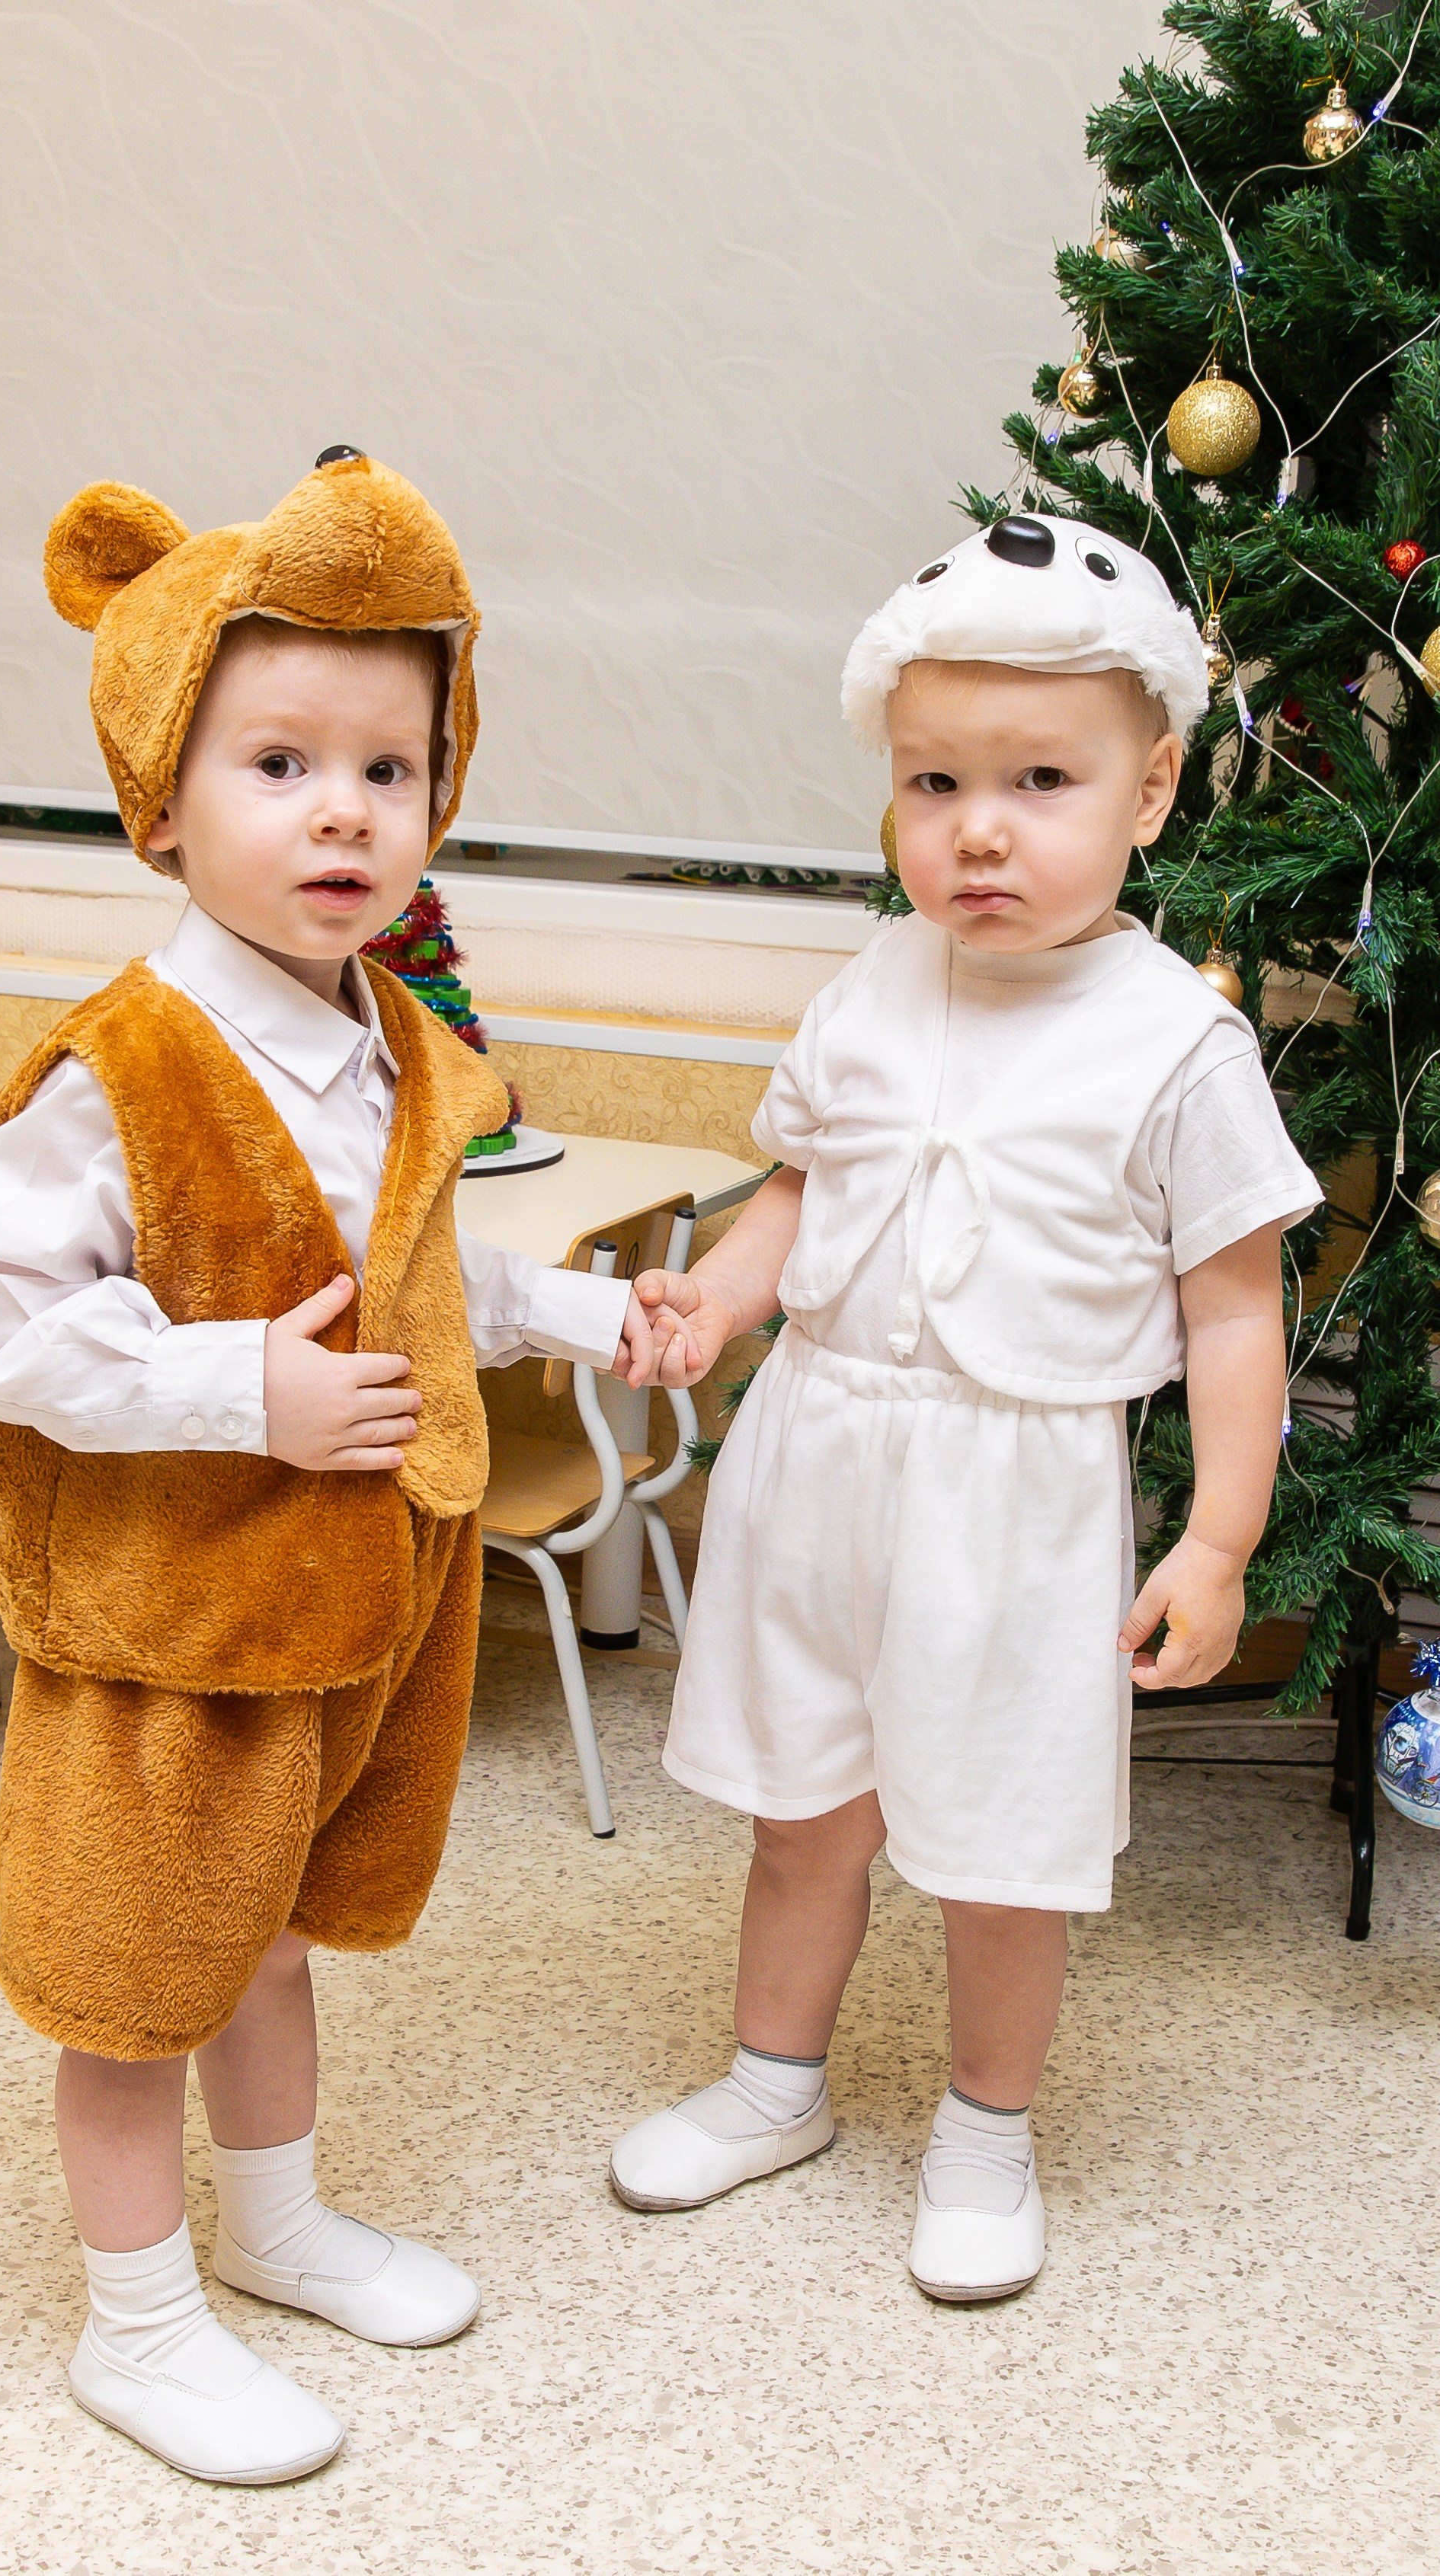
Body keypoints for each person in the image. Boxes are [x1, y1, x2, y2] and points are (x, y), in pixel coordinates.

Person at [0, 452, 643, 2483]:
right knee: (139, 1965)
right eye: (279, 761)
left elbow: (411, 1262)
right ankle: (135, 2319)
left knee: (269, 1931)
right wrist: (239, 1384)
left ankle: (282, 2221)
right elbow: (0, 1313)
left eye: (390, 769)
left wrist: (584, 1317)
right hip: (170, 1628)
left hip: (332, 1612)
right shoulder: (120, 1064)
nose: (345, 809)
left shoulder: (397, 1044)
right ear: (163, 798)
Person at [608, 513, 1318, 2302]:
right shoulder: (867, 983)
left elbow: (1238, 1306)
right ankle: (779, 2081)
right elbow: (796, 1193)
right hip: (825, 1463)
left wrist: (1219, 1534)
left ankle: (989, 2126)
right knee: (805, 1809)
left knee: (1006, 1841)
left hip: (1022, 1502)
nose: (977, 827)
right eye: (935, 779)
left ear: (1151, 793)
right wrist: (721, 1294)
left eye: (1038, 780)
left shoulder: (1175, 1041)